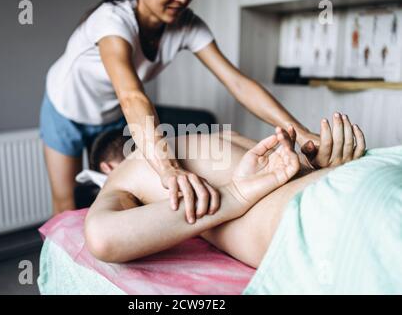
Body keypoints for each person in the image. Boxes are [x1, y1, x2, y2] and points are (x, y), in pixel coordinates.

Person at [40, 0, 321, 216]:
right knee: (67, 201)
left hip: (114, 113)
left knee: (127, 194)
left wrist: (301, 131)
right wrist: (169, 168)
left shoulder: (187, 24)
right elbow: (132, 96)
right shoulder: (112, 19)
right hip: (66, 111)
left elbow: (237, 83)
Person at [84, 113, 366, 267]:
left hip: (319, 207)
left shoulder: (120, 175)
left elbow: (101, 237)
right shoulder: (211, 137)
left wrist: (237, 194)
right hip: (343, 187)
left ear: (106, 167)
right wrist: (309, 165)